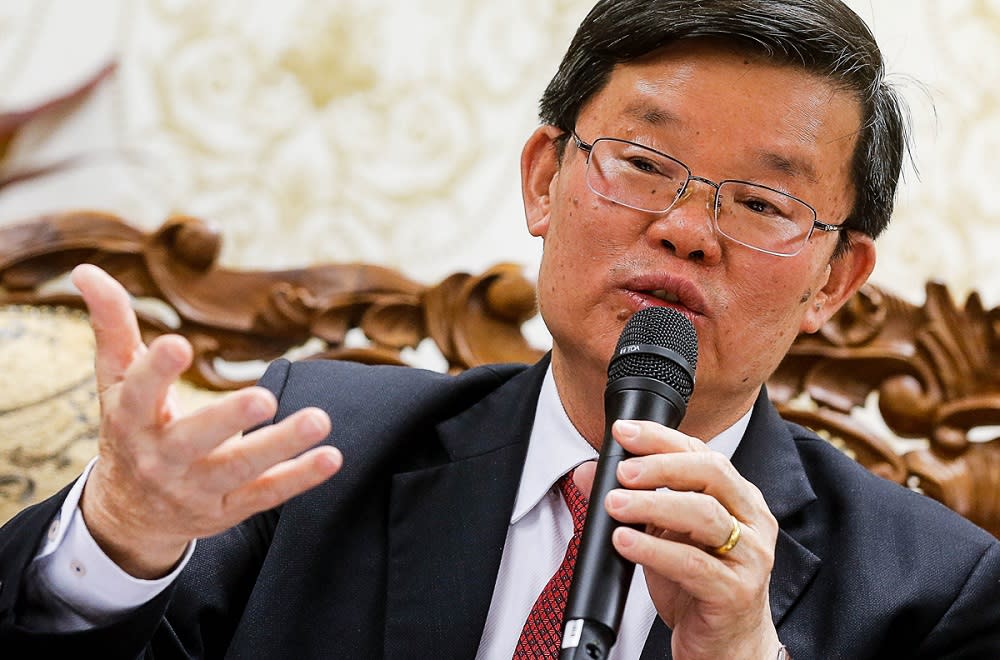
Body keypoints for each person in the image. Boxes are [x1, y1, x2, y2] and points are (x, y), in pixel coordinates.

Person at [1, 0, 998, 657]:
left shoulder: (935, 590)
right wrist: (118, 545)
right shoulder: (314, 448)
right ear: (542, 180)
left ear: (835, 278)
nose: (687, 230)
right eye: (645, 165)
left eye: (762, 204)